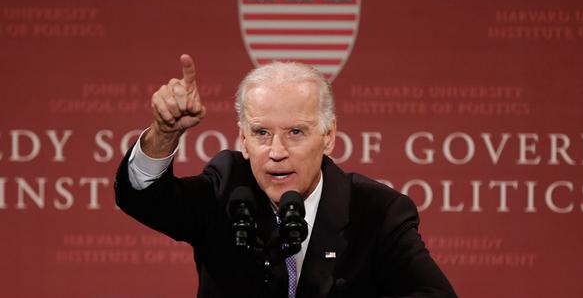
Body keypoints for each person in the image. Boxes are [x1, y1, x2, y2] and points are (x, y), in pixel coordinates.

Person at [114, 54, 457, 298]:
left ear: (328, 136)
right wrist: (165, 133)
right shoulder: (228, 187)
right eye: (261, 133)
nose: (276, 151)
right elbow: (142, 196)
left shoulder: (377, 211)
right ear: (243, 140)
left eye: (295, 132)